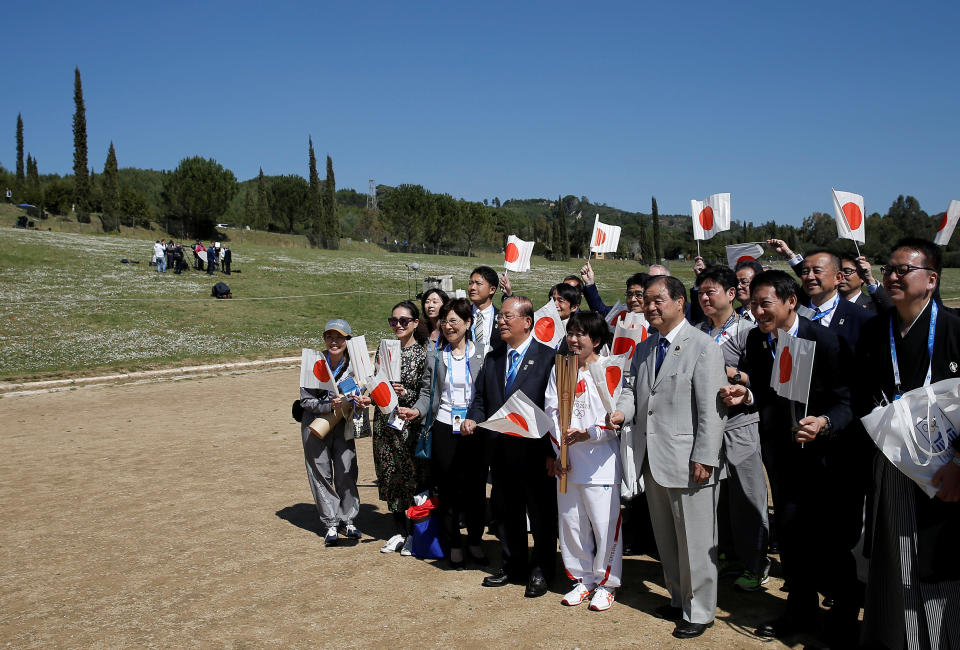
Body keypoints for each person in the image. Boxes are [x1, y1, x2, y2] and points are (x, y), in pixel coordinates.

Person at [720, 270, 854, 644]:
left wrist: (825, 422)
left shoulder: (825, 341)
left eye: (766, 304)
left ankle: (843, 615)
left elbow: (847, 402)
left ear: (790, 301)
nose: (758, 312)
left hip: (825, 461)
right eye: (753, 305)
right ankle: (799, 612)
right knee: (792, 537)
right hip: (782, 458)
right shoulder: (756, 341)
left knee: (830, 541)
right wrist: (744, 397)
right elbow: (765, 392)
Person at [854, 238, 960, 650]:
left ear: (931, 280)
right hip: (893, 460)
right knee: (894, 559)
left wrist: (958, 464)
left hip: (946, 466)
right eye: (889, 269)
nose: (892, 276)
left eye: (904, 270)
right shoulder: (875, 329)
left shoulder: (953, 328)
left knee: (938, 560)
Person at [610, 275, 727, 639]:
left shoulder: (703, 347)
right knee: (667, 539)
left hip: (691, 462)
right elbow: (633, 390)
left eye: (659, 299)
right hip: (653, 460)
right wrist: (621, 412)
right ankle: (678, 598)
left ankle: (701, 609)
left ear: (680, 302)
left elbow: (712, 410)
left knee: (695, 540)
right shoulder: (645, 348)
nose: (651, 306)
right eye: (647, 300)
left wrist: (705, 457)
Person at [462, 296, 557, 598]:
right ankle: (512, 563)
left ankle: (541, 568)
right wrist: (473, 420)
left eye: (507, 317)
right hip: (499, 451)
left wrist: (554, 452)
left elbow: (554, 409)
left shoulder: (549, 358)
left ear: (527, 322)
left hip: (535, 452)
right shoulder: (493, 358)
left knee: (540, 515)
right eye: (500, 317)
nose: (501, 322)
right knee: (508, 511)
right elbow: (480, 399)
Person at [695, 266, 770, 592]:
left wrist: (734, 375)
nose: (705, 297)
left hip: (739, 425)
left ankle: (757, 564)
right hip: (706, 425)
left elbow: (763, 380)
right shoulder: (698, 330)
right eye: (701, 293)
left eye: (711, 291)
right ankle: (729, 554)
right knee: (717, 496)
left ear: (730, 293)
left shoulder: (748, 331)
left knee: (747, 495)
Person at [399, 298, 487, 569]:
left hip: (474, 429)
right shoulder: (436, 354)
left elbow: (485, 394)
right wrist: (417, 411)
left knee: (474, 490)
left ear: (468, 323)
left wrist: (476, 418)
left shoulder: (483, 353)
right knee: (448, 490)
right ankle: (455, 544)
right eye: (444, 321)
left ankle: (475, 540)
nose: (448, 327)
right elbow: (428, 392)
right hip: (443, 426)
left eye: (454, 321)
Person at [544, 312, 622, 612]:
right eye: (571, 334)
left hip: (601, 463)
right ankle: (583, 578)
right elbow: (552, 411)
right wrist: (559, 451)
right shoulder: (561, 369)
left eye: (581, 335)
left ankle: (607, 583)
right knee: (572, 524)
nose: (574, 340)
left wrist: (589, 433)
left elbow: (615, 418)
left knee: (604, 524)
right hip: (567, 461)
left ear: (597, 340)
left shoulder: (609, 369)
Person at [299, 318, 366, 546]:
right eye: (330, 336)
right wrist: (329, 405)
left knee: (347, 470)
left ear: (348, 339)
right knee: (320, 472)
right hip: (316, 425)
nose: (334, 341)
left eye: (339, 337)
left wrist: (359, 400)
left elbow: (366, 388)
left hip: (344, 423)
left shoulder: (356, 364)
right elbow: (305, 400)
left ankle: (348, 519)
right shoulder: (313, 362)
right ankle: (330, 523)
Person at [373, 301, 428, 556]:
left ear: (415, 323)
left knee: (412, 479)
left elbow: (427, 392)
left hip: (409, 425)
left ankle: (415, 533)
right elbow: (373, 382)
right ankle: (398, 530)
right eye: (393, 320)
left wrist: (405, 392)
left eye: (404, 321)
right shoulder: (383, 351)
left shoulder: (424, 353)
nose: (398, 325)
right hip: (385, 424)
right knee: (389, 476)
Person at [468, 266, 501, 354]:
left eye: (478, 284)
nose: (472, 287)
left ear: (492, 290)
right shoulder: (462, 314)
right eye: (470, 283)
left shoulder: (501, 318)